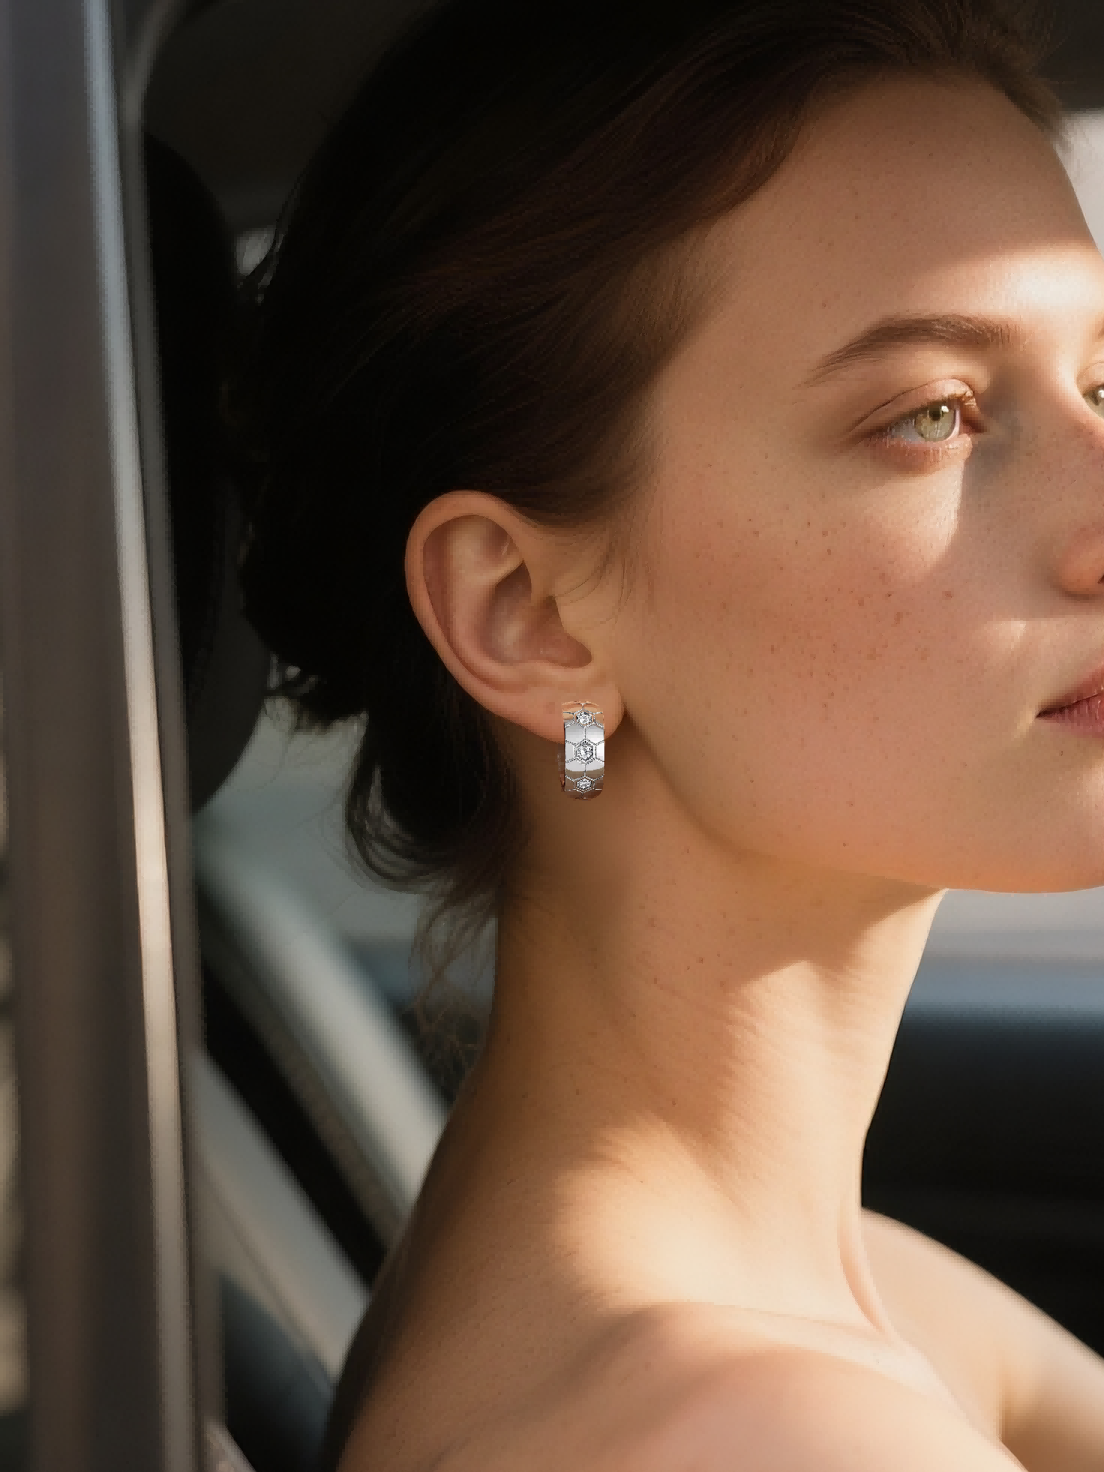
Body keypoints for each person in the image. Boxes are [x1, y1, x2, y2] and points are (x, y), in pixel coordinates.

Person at [231, 0, 1104, 1465]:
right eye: (933, 415)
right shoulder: (748, 1424)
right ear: (530, 617)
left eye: (1102, 379)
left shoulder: (839, 1299)